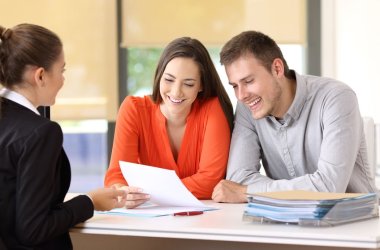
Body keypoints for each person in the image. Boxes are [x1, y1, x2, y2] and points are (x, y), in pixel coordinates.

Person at [212, 30, 378, 203]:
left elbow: (328, 187)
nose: (241, 95)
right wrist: (258, 191)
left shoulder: (336, 97)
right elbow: (238, 179)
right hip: (288, 224)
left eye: (248, 81)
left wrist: (248, 192)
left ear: (277, 68)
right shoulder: (248, 107)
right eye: (234, 86)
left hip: (354, 223)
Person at [0, 23, 127, 249]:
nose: (63, 80)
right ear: (40, 76)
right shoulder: (40, 133)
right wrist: (90, 201)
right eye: (62, 70)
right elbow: (33, 228)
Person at [104, 37, 234, 208]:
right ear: (159, 76)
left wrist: (147, 194)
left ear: (201, 85)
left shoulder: (212, 110)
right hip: (150, 220)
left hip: (202, 220)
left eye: (188, 84)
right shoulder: (133, 109)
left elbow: (210, 181)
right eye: (169, 80)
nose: (176, 92)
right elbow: (117, 174)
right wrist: (123, 192)